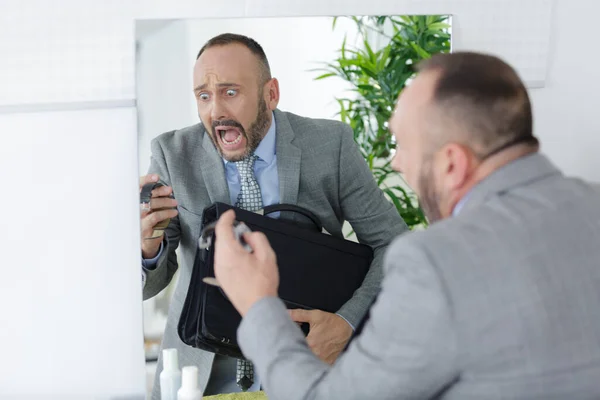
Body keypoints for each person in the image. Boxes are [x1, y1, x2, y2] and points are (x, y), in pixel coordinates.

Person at [212, 51, 600, 399]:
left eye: (402, 145)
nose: (397, 163)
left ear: (452, 164)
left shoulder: (436, 263)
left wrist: (259, 304)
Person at [139, 33, 408, 398]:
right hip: (200, 378)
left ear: (271, 94)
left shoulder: (331, 146)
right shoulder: (171, 154)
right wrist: (147, 247)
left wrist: (346, 323)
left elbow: (394, 244)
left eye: (231, 92)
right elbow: (147, 286)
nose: (215, 110)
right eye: (204, 96)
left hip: (307, 367)